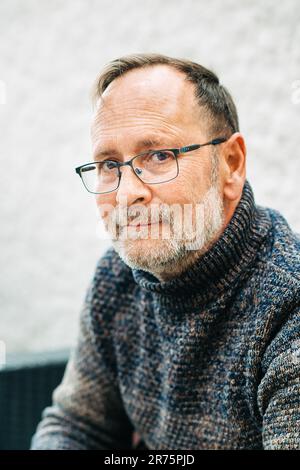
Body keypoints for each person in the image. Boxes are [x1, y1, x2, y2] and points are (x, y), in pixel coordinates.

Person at [31, 53, 300, 450]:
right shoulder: (117, 279)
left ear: (231, 163)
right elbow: (76, 426)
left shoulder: (288, 310)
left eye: (159, 156)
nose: (126, 194)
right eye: (108, 164)